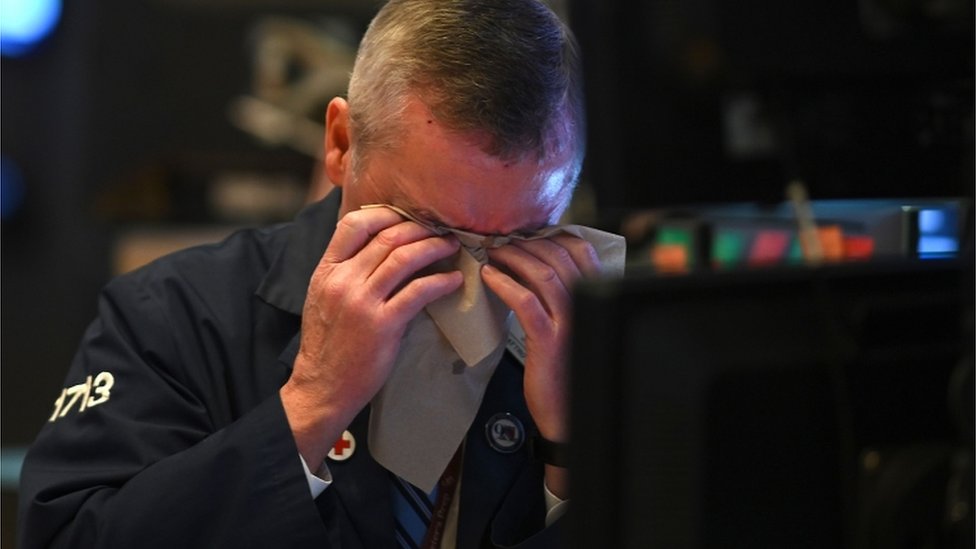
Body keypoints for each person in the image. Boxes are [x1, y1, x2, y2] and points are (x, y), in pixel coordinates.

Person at [18, 0, 610, 547]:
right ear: (341, 143)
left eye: (521, 235)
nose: (471, 269)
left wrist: (575, 446)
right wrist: (310, 405)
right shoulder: (172, 312)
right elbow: (67, 536)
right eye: (430, 226)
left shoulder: (605, 336)